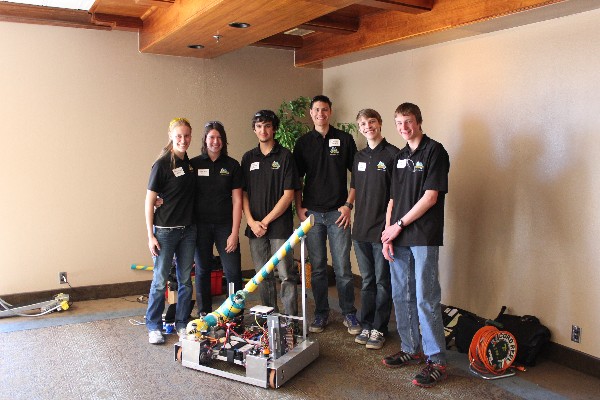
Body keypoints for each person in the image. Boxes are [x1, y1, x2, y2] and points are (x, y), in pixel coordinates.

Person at [380, 103, 450, 387]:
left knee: (425, 297)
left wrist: (399, 225)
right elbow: (393, 199)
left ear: (419, 122)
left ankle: (437, 360)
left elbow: (430, 197)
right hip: (399, 235)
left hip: (422, 235)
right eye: (398, 123)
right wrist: (387, 232)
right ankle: (411, 348)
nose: (403, 128)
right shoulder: (399, 157)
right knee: (401, 295)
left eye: (408, 122)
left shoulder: (435, 151)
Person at [293, 95, 360, 334]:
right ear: (311, 113)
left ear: (330, 112)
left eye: (324, 109)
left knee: (342, 267)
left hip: (337, 214)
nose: (320, 113)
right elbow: (295, 181)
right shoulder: (302, 143)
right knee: (318, 267)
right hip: (312, 215)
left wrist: (348, 205)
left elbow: (358, 177)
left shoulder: (344, 139)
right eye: (316, 110)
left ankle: (349, 313)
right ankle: (321, 313)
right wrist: (299, 207)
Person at [241, 110, 300, 315]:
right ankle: (269, 318)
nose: (263, 130)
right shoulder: (248, 158)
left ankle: (291, 319)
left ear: (274, 129)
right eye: (258, 126)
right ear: (254, 130)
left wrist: (264, 221)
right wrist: (251, 222)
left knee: (286, 275)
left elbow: (288, 195)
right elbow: (243, 194)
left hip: (279, 228)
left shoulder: (285, 156)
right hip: (255, 228)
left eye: (267, 126)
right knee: (262, 275)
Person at [350, 109, 399, 350]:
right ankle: (366, 323)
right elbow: (356, 190)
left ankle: (380, 328)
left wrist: (389, 229)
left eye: (372, 122)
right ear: (359, 127)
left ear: (380, 123)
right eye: (362, 123)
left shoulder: (393, 155)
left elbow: (397, 197)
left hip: (382, 232)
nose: (368, 126)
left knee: (382, 282)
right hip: (360, 231)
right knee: (367, 282)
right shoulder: (358, 157)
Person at [145, 117, 196, 344]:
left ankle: (182, 323)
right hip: (165, 231)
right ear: (171, 137)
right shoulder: (162, 164)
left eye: (186, 136)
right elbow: (149, 201)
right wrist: (150, 235)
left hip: (188, 231)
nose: (183, 140)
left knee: (185, 280)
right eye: (178, 136)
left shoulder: (190, 165)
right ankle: (153, 326)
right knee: (160, 280)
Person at [190, 121, 243, 315]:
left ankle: (234, 314)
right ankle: (204, 313)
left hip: (225, 227)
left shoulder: (232, 165)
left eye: (219, 137)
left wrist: (234, 232)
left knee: (233, 272)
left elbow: (238, 201)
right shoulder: (194, 164)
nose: (215, 141)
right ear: (205, 140)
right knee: (202, 270)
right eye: (211, 137)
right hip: (200, 227)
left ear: (224, 141)